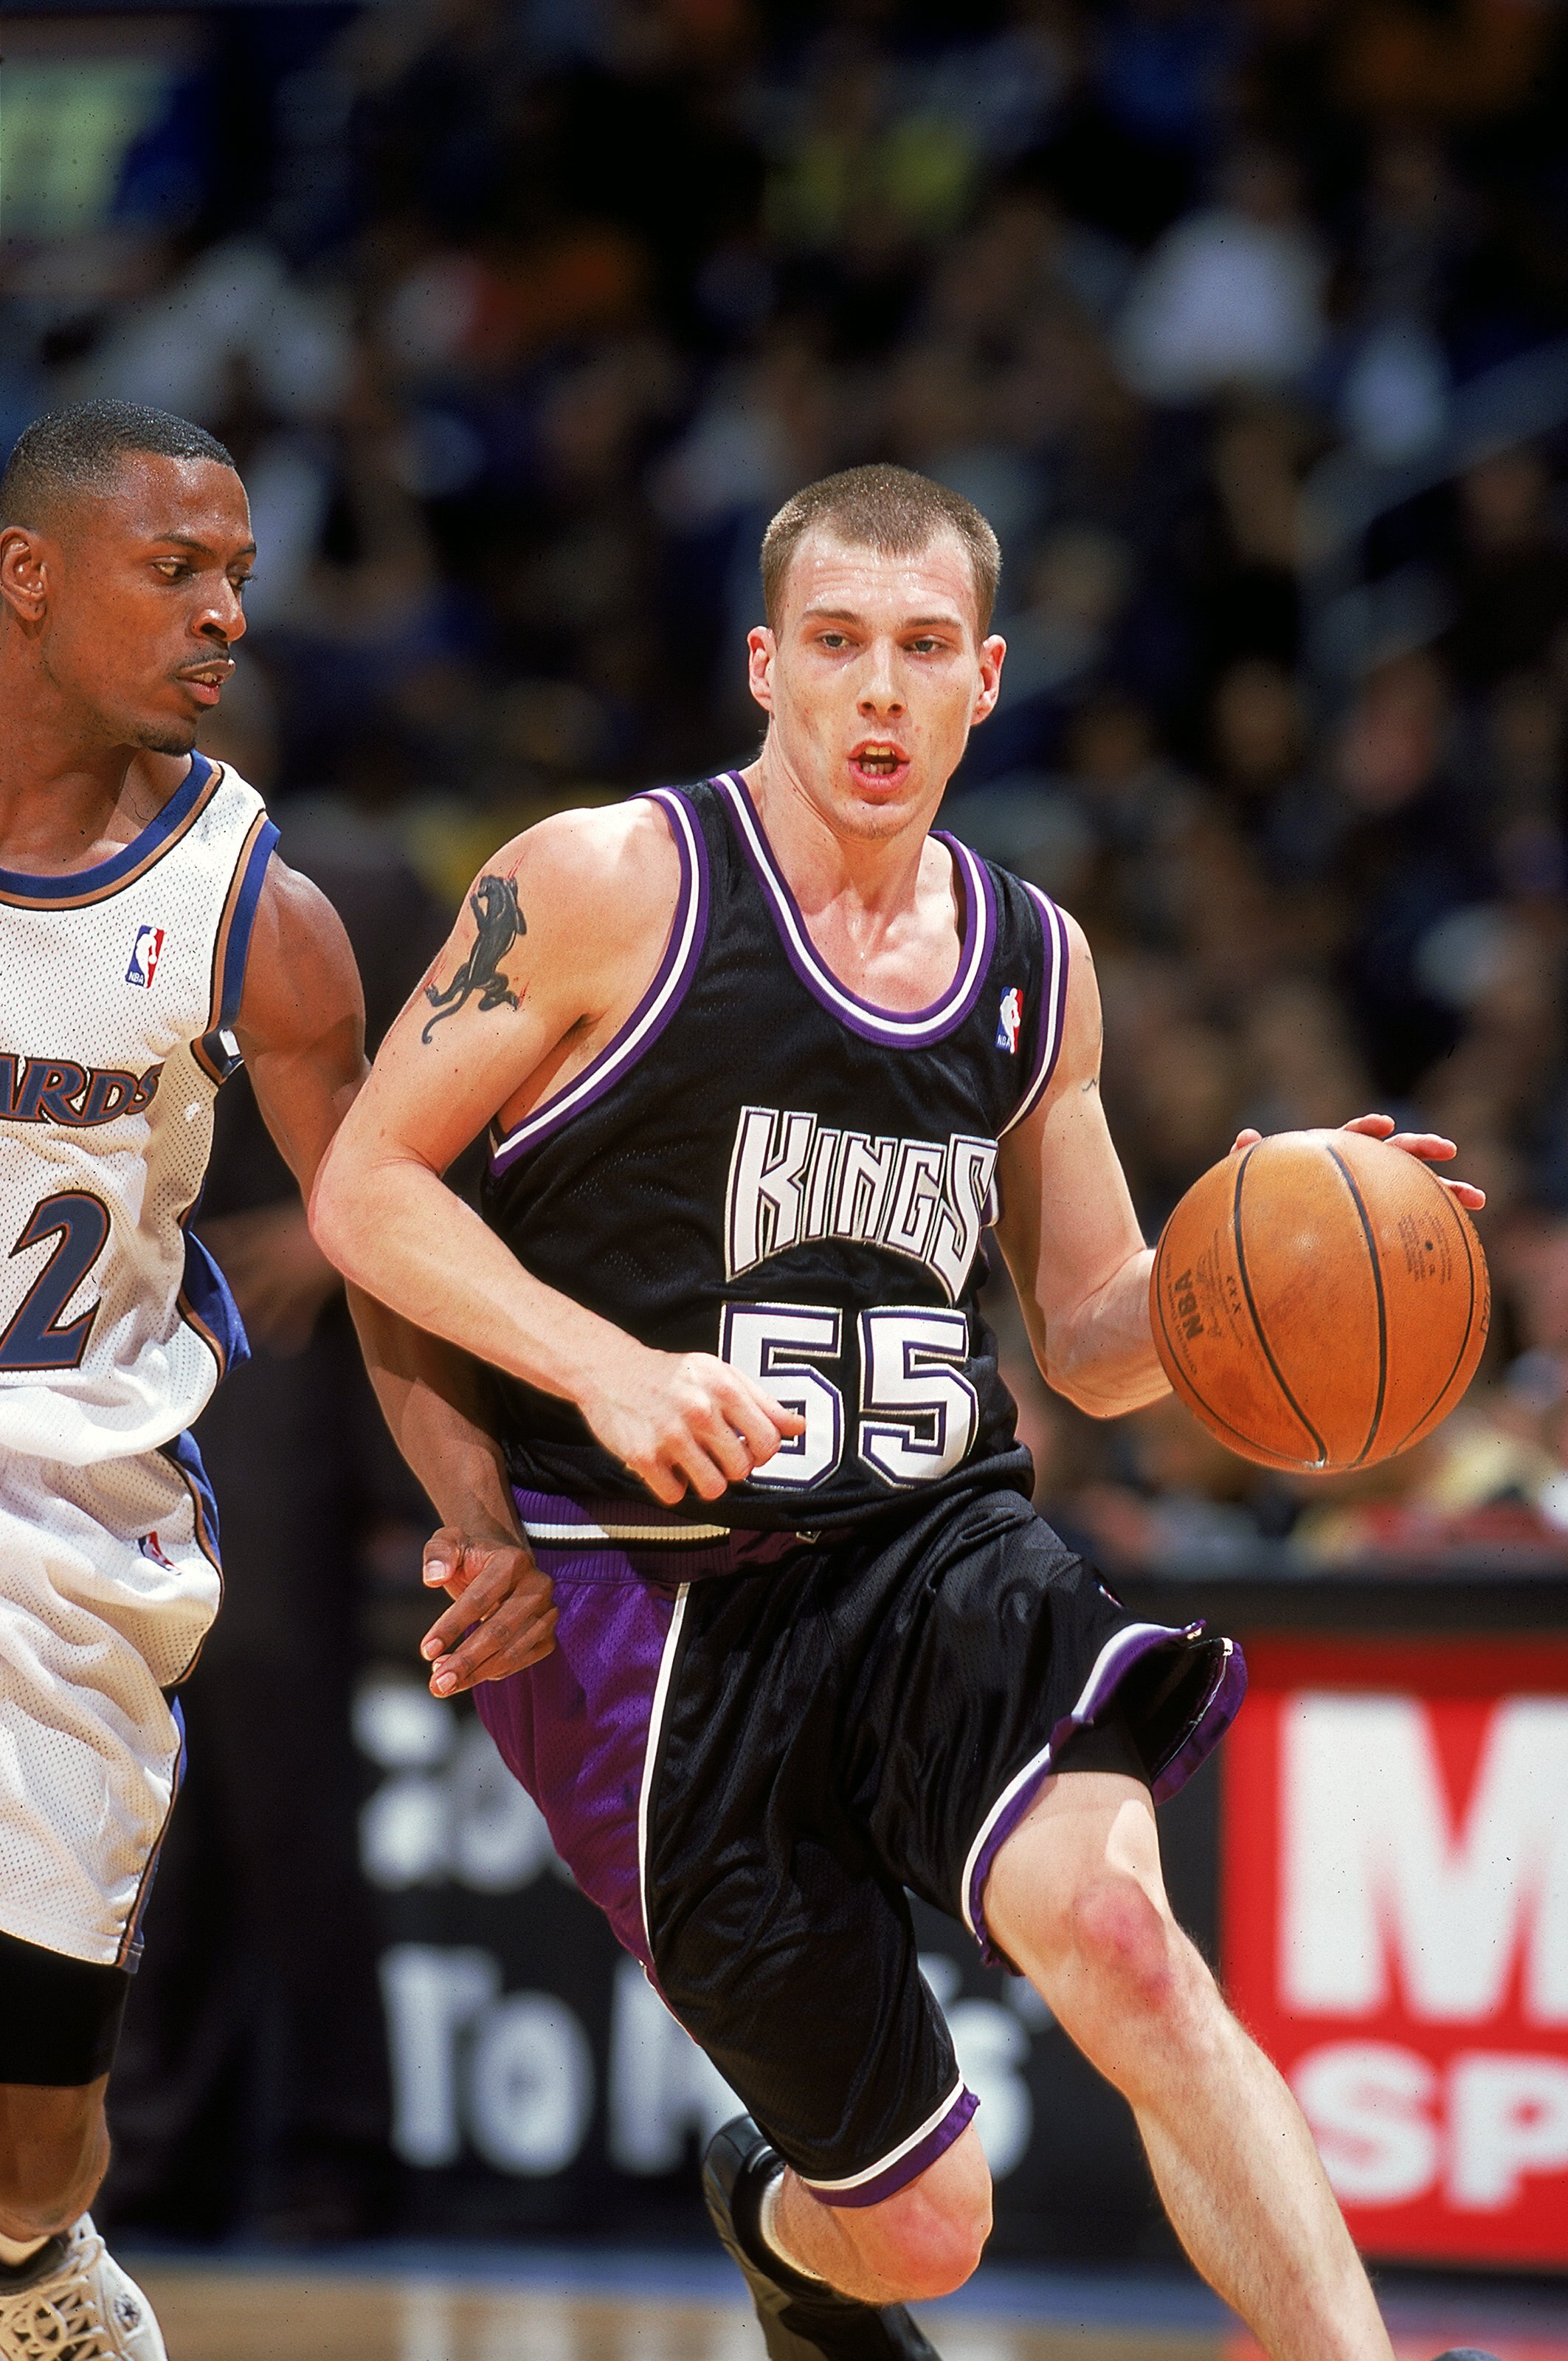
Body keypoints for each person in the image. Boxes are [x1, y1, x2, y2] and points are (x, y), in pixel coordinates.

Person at [311, 465, 1483, 2361]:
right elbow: (369, 1191)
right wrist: (601, 1369)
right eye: (838, 646)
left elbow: (1097, 1339)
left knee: (1125, 1951)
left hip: (936, 1545)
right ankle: (781, 2225)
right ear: (765, 666)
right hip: (649, 1608)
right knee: (924, 2228)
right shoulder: (607, 882)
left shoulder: (1035, 964)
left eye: (921, 649)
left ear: (985, 681)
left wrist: (1256, 1261)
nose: (877, 691)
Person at [0, 402, 544, 2359]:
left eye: (239, 579)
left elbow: (398, 1217)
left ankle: (87, 2247)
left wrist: (478, 1505)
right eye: (179, 574)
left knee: (34, 2131)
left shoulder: (277, 911)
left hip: (106, 1488)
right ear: (29, 579)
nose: (225, 614)